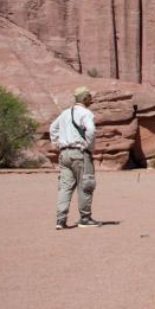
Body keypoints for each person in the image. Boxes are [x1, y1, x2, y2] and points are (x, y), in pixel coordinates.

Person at [50, 86, 106, 230]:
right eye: (90, 97)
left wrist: (57, 143)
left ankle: (60, 220)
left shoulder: (64, 113)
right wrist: (87, 145)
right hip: (79, 154)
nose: (91, 100)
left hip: (64, 154)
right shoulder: (86, 113)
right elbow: (91, 131)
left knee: (65, 187)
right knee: (85, 185)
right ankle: (85, 218)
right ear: (86, 99)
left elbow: (53, 128)